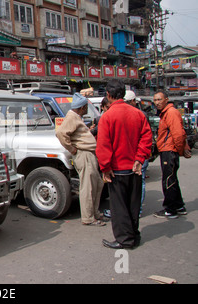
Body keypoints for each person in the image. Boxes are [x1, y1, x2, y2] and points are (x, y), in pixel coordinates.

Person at [96, 80, 152, 249]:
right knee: (133, 205)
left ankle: (124, 240)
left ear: (108, 95)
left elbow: (103, 146)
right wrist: (139, 158)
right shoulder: (137, 114)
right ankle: (134, 235)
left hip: (117, 170)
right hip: (135, 168)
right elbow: (147, 138)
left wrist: (105, 168)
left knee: (119, 207)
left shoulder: (108, 116)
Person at [56, 93, 105, 226]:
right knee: (88, 187)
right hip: (84, 154)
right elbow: (60, 133)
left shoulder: (76, 117)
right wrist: (72, 149)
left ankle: (94, 213)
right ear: (82, 107)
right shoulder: (72, 117)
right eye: (86, 107)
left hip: (88, 154)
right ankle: (88, 218)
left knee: (97, 184)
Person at [153, 90, 191, 219]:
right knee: (172, 179)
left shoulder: (171, 113)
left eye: (159, 99)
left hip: (169, 150)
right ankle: (179, 206)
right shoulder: (166, 113)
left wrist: (180, 150)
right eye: (155, 100)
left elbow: (179, 134)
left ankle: (170, 209)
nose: (157, 103)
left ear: (166, 100)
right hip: (168, 149)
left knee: (168, 180)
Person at [124, 90, 151, 217]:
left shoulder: (139, 115)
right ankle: (136, 209)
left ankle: (134, 209)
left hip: (135, 154)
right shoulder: (140, 114)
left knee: (134, 183)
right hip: (138, 154)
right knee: (138, 182)